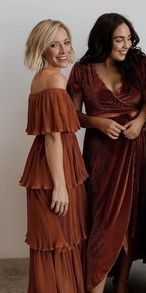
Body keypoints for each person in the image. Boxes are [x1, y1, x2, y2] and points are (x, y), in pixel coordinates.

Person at [67, 12, 146, 293]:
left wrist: (139, 122)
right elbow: (70, 115)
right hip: (101, 153)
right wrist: (97, 122)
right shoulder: (82, 70)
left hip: (136, 147)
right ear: (104, 40)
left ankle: (123, 282)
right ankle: (95, 284)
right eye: (119, 39)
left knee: (134, 214)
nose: (126, 44)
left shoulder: (139, 63)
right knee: (102, 218)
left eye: (129, 38)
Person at [20, 19, 88, 292]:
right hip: (55, 168)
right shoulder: (56, 80)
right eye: (54, 44)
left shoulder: (39, 78)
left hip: (48, 163)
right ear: (42, 48)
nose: (63, 50)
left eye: (66, 42)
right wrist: (60, 186)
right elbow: (52, 137)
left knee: (53, 242)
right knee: (60, 240)